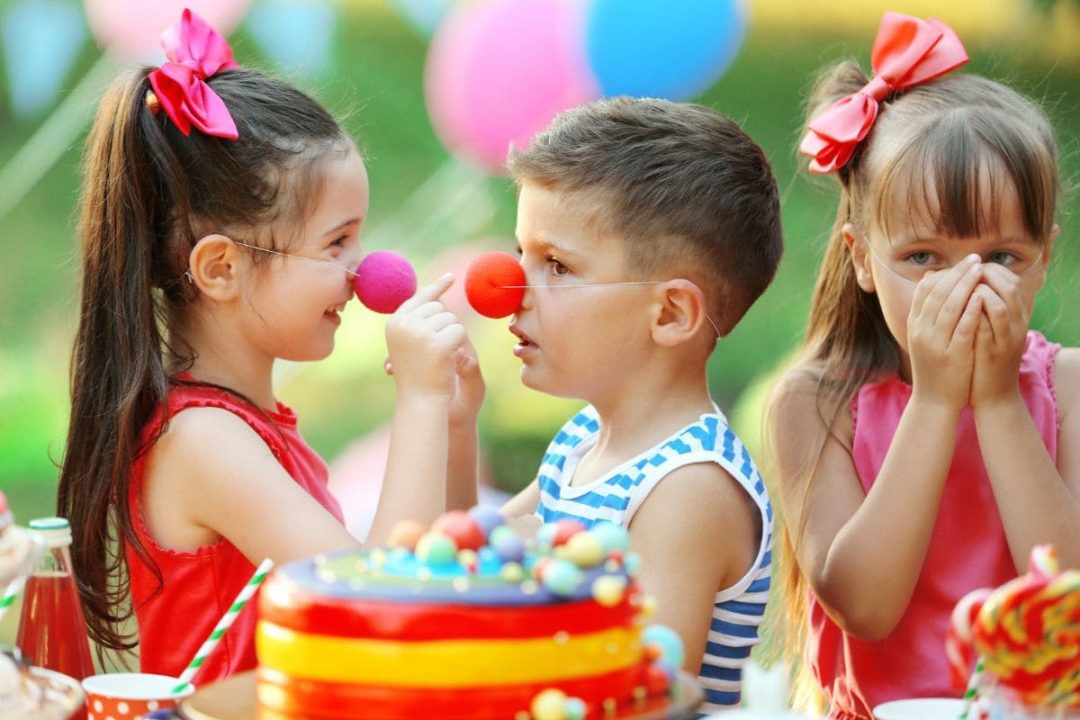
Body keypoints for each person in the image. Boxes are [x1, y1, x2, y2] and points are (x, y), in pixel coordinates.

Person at [55, 10, 481, 683]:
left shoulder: (245, 425)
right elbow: (379, 603)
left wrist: (452, 426)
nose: (365, 271)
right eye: (337, 242)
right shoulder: (201, 442)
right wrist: (418, 403)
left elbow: (437, 567)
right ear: (221, 269)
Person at [767, 12, 1080, 719]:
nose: (964, 287)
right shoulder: (816, 402)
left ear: (1043, 261)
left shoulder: (1067, 386)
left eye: (1001, 257)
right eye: (922, 258)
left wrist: (997, 402)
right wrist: (936, 402)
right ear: (861, 260)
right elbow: (864, 607)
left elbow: (1068, 600)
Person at [499, 96, 783, 712]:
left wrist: (527, 566)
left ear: (671, 313)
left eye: (556, 265)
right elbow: (467, 558)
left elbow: (644, 695)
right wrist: (449, 414)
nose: (510, 290)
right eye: (521, 253)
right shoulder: (582, 441)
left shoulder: (688, 487)